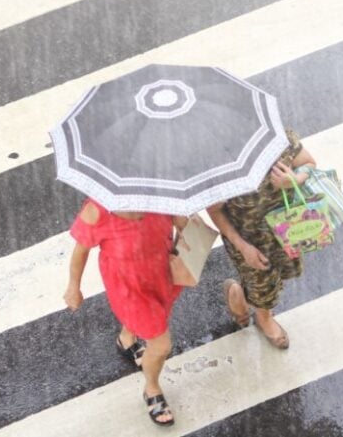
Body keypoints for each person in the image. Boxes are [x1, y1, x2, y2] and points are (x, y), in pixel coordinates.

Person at [63, 199, 187, 426]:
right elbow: (80, 251)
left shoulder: (161, 195)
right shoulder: (97, 210)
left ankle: (126, 339)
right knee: (160, 346)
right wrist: (74, 287)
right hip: (129, 290)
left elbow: (181, 225)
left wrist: (182, 221)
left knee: (148, 321)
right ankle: (152, 387)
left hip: (162, 274)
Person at [207, 129, 316, 349]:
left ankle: (240, 295)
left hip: (287, 226)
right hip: (250, 240)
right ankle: (263, 316)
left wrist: (294, 179)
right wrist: (243, 246)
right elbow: (215, 211)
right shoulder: (217, 166)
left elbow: (309, 163)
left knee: (278, 276)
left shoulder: (277, 138)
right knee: (263, 284)